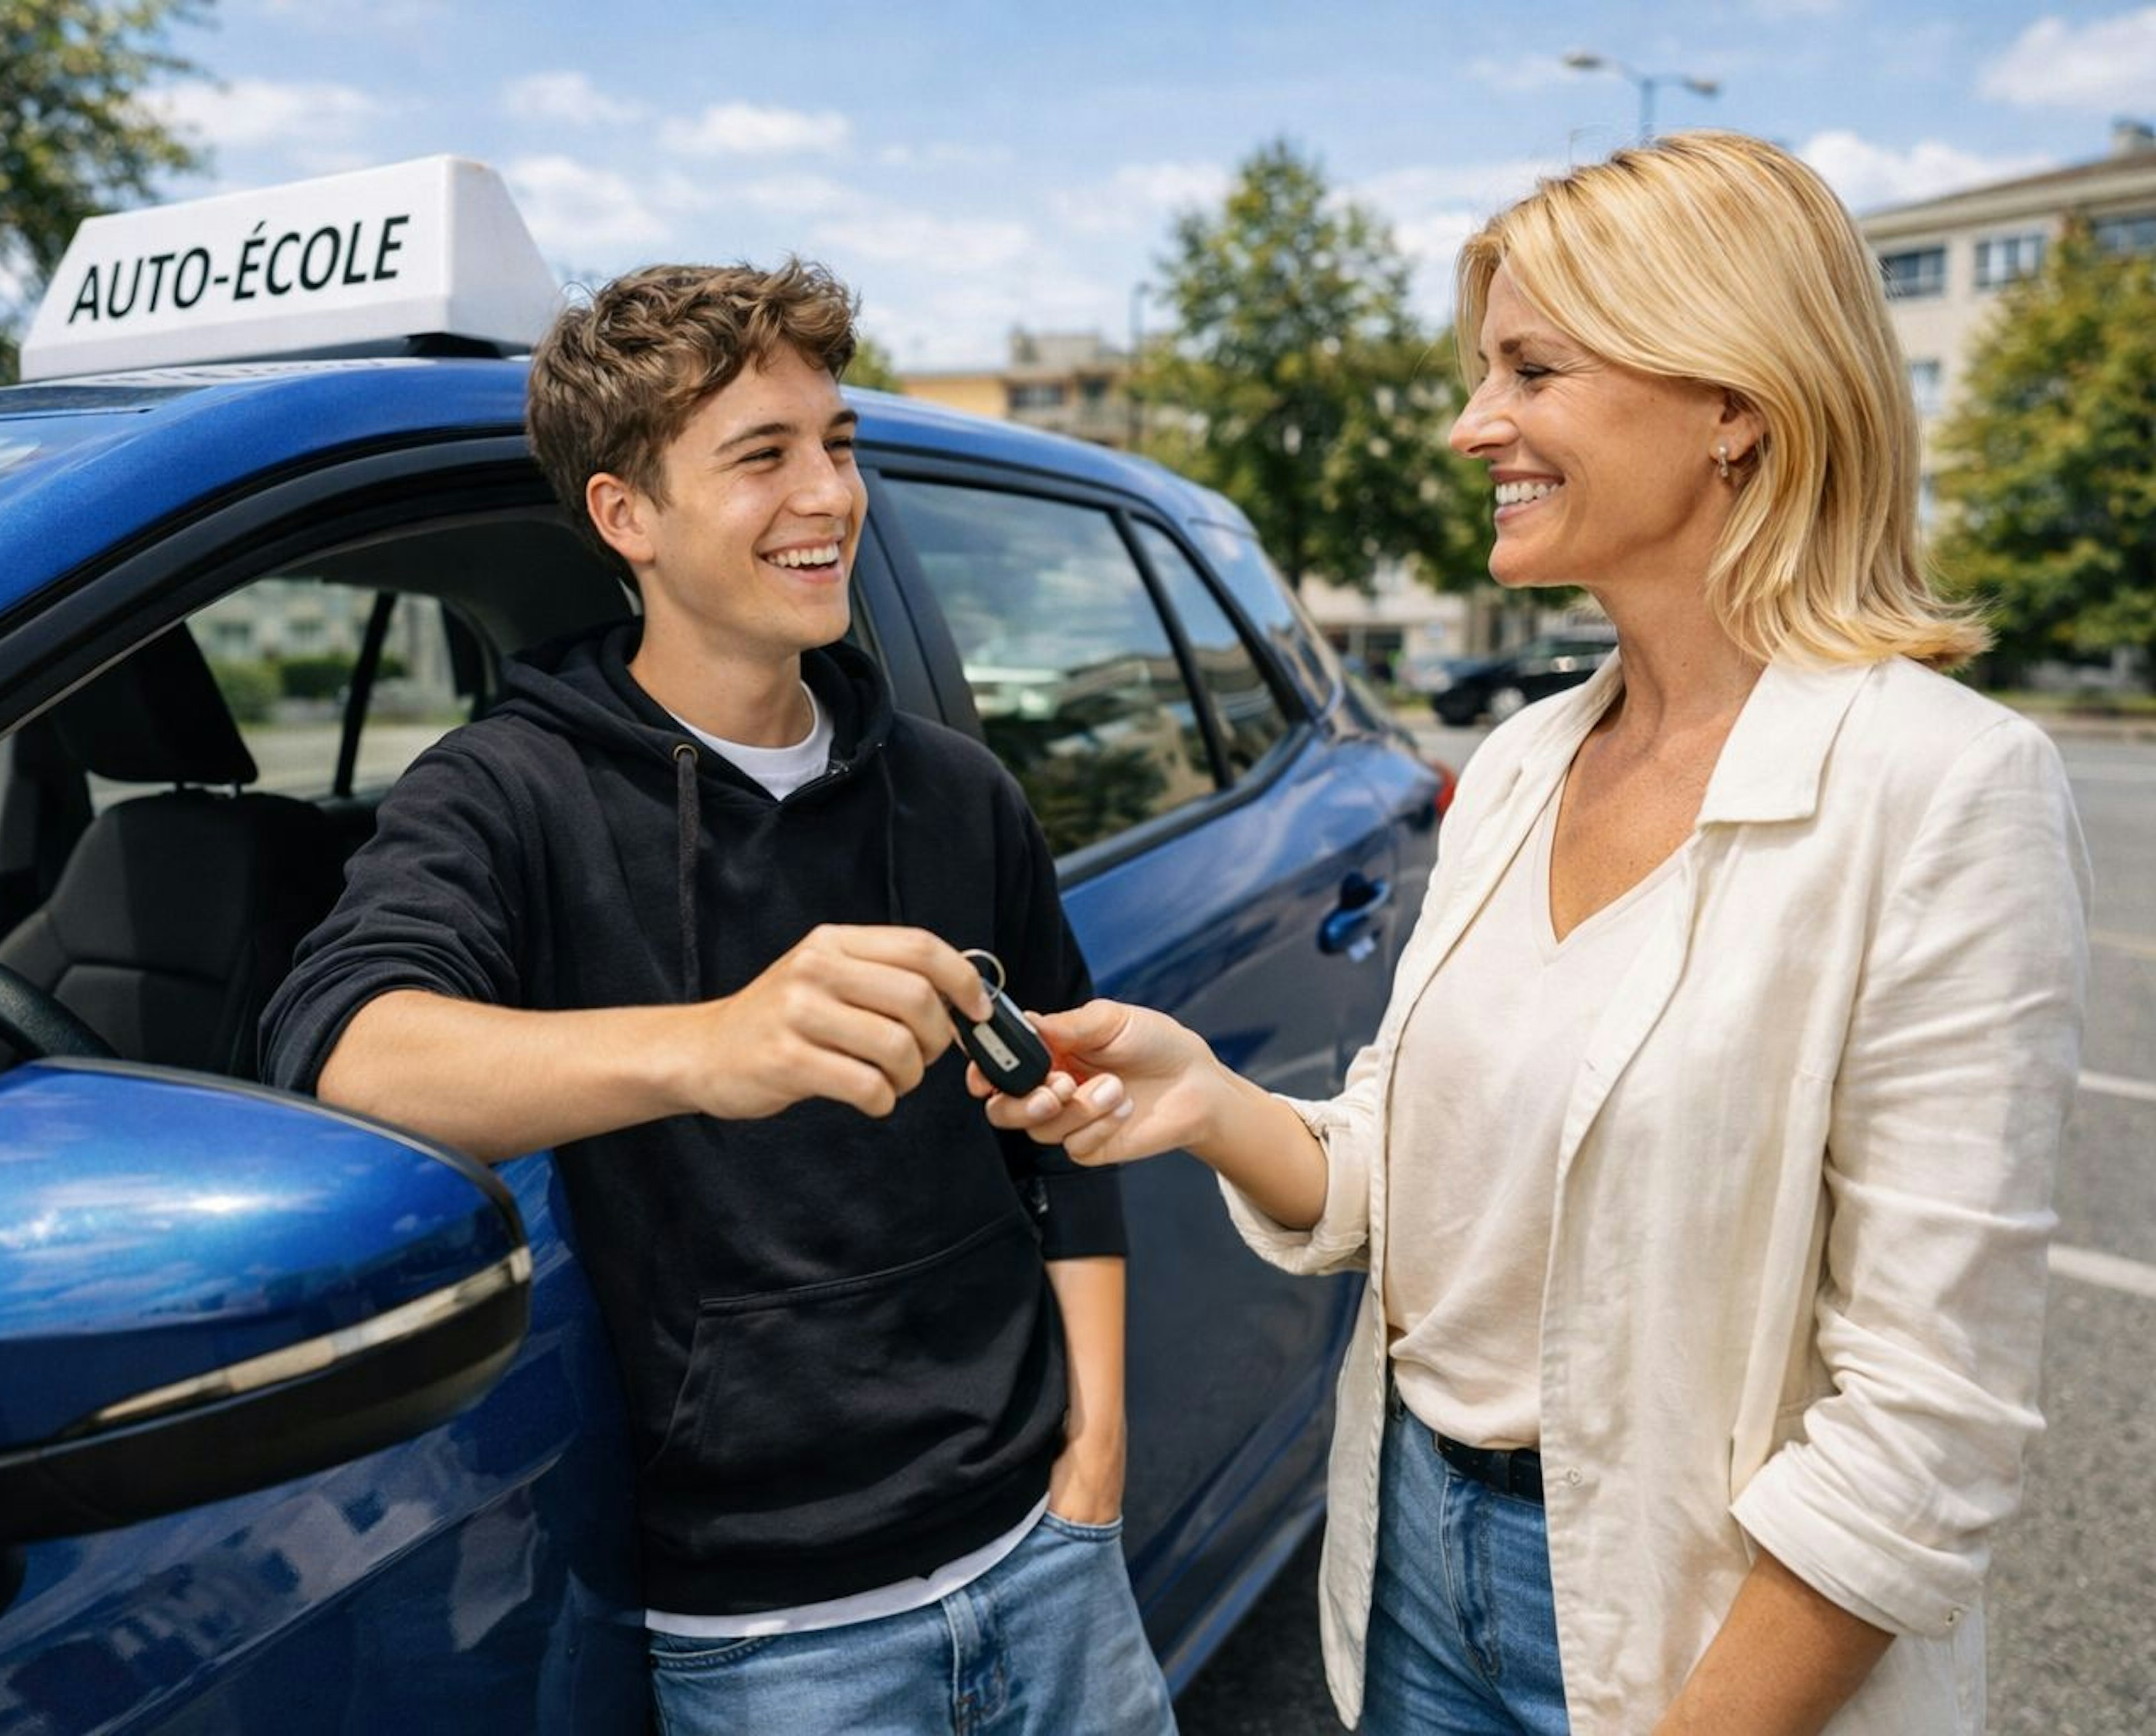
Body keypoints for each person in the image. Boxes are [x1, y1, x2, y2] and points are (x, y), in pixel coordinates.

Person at [980, 132, 2088, 1736]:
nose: (1471, 421)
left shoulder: (1945, 787)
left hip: (1698, 1635)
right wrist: (1204, 1099)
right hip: (1415, 1562)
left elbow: (1926, 1423)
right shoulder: (1522, 759)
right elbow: (1419, 1180)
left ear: (1736, 403)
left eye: (1532, 367)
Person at [260, 260, 1176, 1735]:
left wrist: (1101, 1447)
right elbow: (349, 1052)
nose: (831, 494)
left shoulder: (956, 789)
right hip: (773, 1642)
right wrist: (708, 1044)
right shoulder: (508, 793)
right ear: (628, 516)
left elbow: (1068, 1126)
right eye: (763, 456)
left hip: (1049, 1555)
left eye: (839, 444)